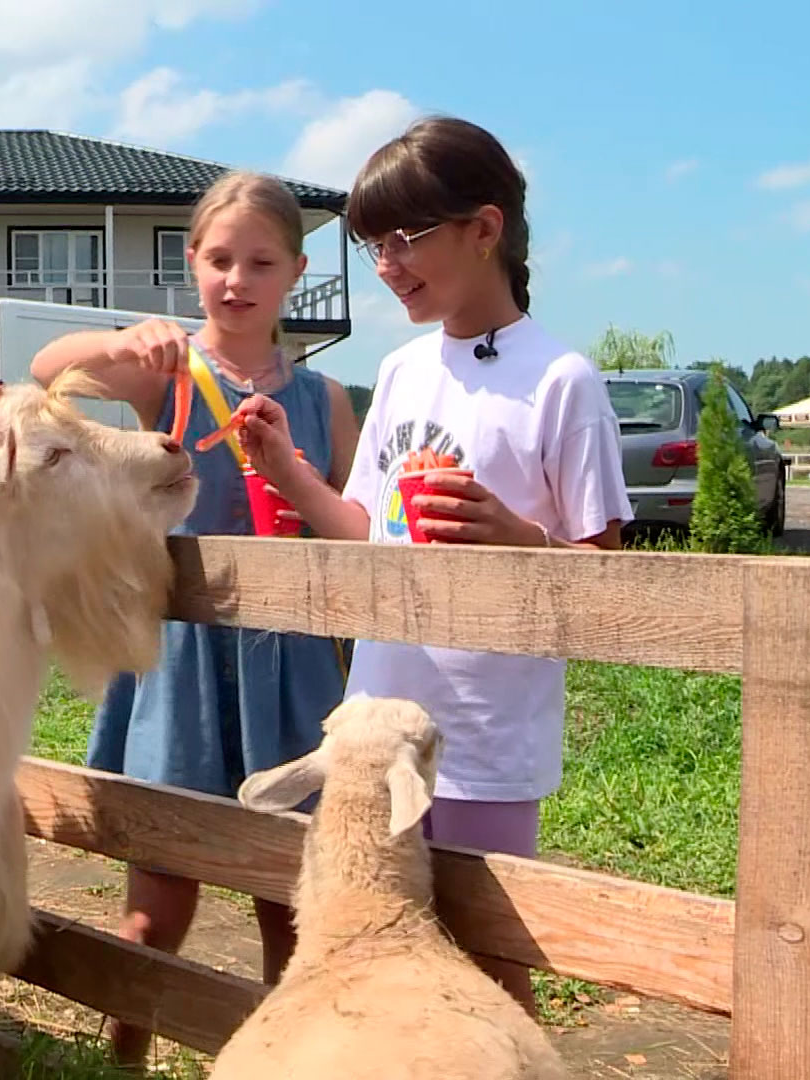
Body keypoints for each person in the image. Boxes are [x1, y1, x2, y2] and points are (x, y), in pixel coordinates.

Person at [229, 116, 633, 1012]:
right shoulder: (405, 371)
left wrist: (516, 538)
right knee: (366, 947)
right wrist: (288, 471)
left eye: (405, 238)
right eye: (373, 244)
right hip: (376, 728)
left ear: (484, 229)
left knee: (490, 970)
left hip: (485, 737)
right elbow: (369, 532)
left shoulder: (562, 380)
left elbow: (608, 578)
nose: (386, 265)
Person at [29, 169, 359, 1069]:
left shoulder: (326, 401)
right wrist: (122, 335)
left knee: (290, 906)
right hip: (178, 664)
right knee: (155, 907)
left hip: (293, 670)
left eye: (260, 262)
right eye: (219, 259)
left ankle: (287, 1059)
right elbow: (47, 368)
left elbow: (349, 517)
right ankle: (123, 1057)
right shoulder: (168, 371)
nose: (236, 281)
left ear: (294, 272)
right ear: (191, 263)